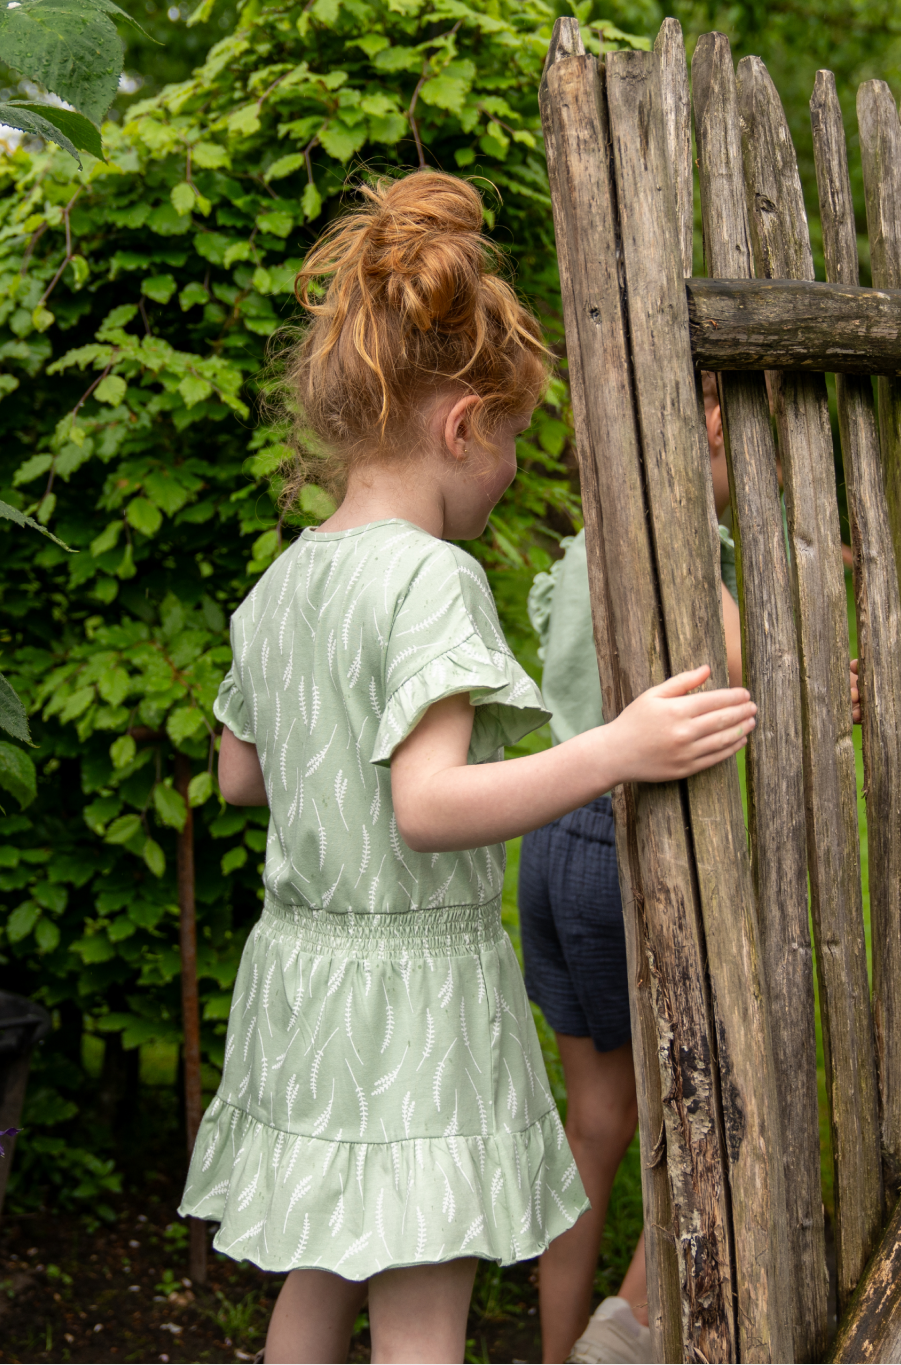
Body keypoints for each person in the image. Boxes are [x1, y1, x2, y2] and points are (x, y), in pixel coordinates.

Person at [177, 171, 759, 1365]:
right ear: (462, 427)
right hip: (410, 1006)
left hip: (302, 988)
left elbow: (241, 776)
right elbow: (428, 805)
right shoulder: (431, 578)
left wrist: (336, 773)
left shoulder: (282, 581)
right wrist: (616, 747)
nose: (511, 472)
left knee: (318, 1274)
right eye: (514, 441)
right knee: (421, 1308)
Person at [521, 374, 861, 1364]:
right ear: (714, 421)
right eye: (764, 442)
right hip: (622, 846)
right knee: (711, 1099)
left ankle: (558, 1349)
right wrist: (816, 689)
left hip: (550, 835)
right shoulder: (673, 548)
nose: (771, 471)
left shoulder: (588, 543)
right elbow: (742, 678)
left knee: (597, 1123)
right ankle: (621, 1337)